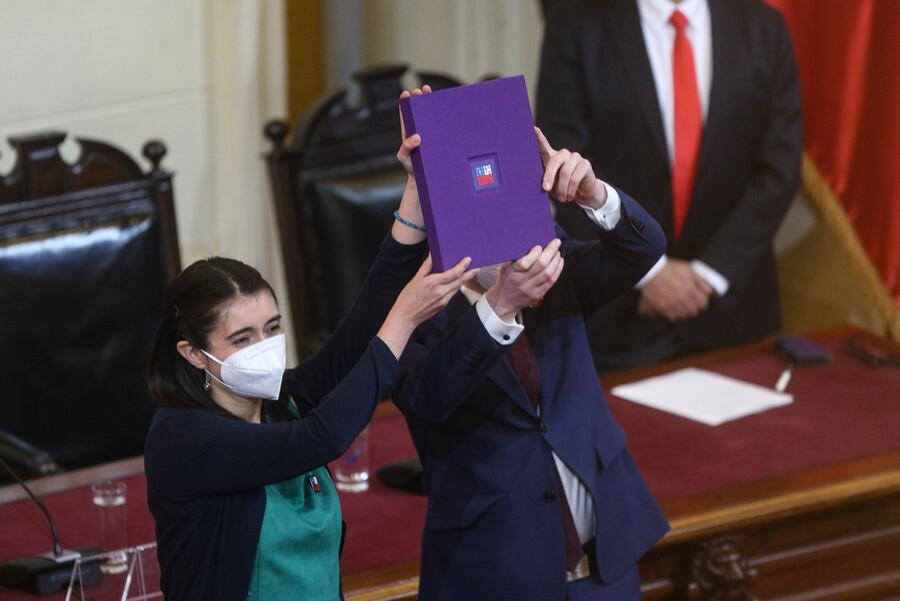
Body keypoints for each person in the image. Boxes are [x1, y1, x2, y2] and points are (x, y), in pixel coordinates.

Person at [143, 87, 476, 601]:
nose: (265, 347)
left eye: (273, 328)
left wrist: (415, 194)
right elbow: (321, 440)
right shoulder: (182, 437)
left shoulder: (283, 401)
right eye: (242, 337)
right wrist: (405, 320)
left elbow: (358, 332)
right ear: (192, 353)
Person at [392, 127, 670, 600]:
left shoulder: (550, 259)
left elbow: (642, 250)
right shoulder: (409, 298)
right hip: (493, 574)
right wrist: (498, 308)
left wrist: (594, 194)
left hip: (604, 564)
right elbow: (426, 399)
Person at [536, 0, 803, 371]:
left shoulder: (764, 26)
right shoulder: (577, 23)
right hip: (619, 320)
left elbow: (780, 167)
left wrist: (711, 274)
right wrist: (649, 271)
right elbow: (560, 168)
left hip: (734, 314)